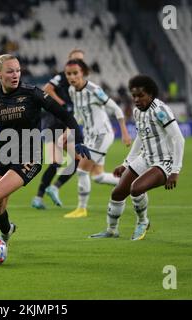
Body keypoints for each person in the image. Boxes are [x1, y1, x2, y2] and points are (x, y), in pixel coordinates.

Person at [0, 54, 90, 260]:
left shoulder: (33, 93)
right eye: (10, 71)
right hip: (4, 156)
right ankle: (7, 231)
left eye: (18, 70)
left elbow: (66, 115)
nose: (15, 75)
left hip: (29, 157)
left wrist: (78, 139)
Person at [89, 75, 185, 240]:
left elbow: (178, 139)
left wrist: (175, 170)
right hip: (146, 158)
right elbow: (140, 138)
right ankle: (112, 231)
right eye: (134, 95)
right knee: (117, 193)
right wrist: (126, 163)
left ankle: (143, 222)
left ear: (151, 94)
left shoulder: (160, 111)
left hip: (164, 162)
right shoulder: (137, 112)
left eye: (141, 95)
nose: (136, 99)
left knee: (136, 188)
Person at [56, 59, 131, 218]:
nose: (72, 77)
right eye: (68, 74)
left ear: (82, 73)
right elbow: (77, 115)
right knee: (98, 176)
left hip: (102, 135)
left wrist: (124, 132)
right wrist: (67, 132)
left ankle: (81, 209)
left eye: (75, 73)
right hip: (90, 137)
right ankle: (131, 184)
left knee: (82, 170)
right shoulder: (71, 90)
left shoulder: (94, 90)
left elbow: (116, 109)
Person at [31, 49, 85, 210]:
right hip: (51, 121)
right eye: (75, 59)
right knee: (56, 161)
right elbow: (47, 89)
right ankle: (39, 197)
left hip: (65, 123)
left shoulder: (80, 82)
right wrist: (61, 104)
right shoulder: (62, 76)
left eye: (81, 60)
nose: (78, 62)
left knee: (76, 159)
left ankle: (52, 189)